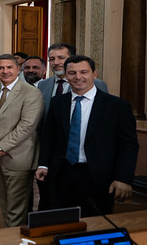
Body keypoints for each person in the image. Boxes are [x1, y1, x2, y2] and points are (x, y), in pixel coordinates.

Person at [36, 55, 139, 216]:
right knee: (59, 222)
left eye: (83, 72)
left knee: (95, 226)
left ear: (94, 74)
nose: (78, 77)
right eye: (72, 73)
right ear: (66, 76)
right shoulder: (58, 103)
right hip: (61, 174)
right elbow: (49, 136)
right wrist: (43, 164)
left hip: (98, 177)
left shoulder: (117, 106)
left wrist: (124, 178)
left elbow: (128, 145)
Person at [0, 54, 43, 227]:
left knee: (17, 208)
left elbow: (27, 125)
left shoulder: (31, 92)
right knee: (5, 203)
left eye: (9, 67)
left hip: (19, 157)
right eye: (1, 68)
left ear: (18, 69)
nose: (5, 71)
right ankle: (10, 238)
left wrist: (1, 146)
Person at [37, 43, 108, 123]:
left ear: (72, 59)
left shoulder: (95, 84)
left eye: (61, 58)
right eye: (52, 59)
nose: (56, 62)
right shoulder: (43, 84)